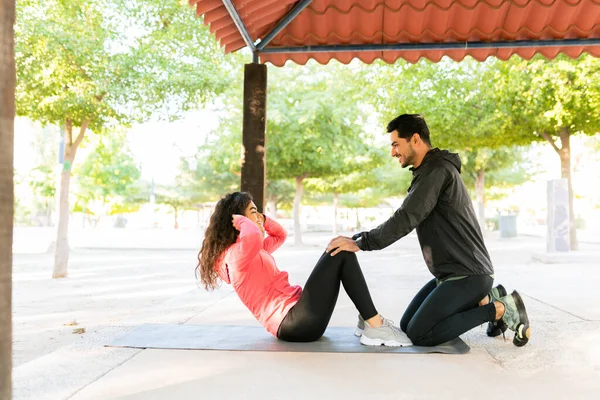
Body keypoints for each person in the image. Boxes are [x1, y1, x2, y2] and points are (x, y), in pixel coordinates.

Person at [327, 114, 531, 347]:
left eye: (395, 144)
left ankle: (500, 309)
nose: (393, 152)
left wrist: (362, 242)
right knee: (407, 326)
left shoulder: (436, 171)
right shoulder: (428, 170)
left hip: (468, 274)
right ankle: (486, 299)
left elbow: (407, 217)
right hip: (451, 275)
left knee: (421, 334)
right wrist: (359, 239)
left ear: (415, 139)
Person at [196, 191, 411, 347]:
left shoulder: (250, 252)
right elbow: (251, 235)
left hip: (297, 318)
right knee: (341, 251)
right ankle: (375, 325)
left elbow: (280, 235)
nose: (258, 216)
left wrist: (263, 219)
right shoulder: (237, 256)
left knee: (340, 250)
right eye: (253, 212)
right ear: (237, 220)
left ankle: (369, 323)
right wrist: (242, 220)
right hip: (294, 323)